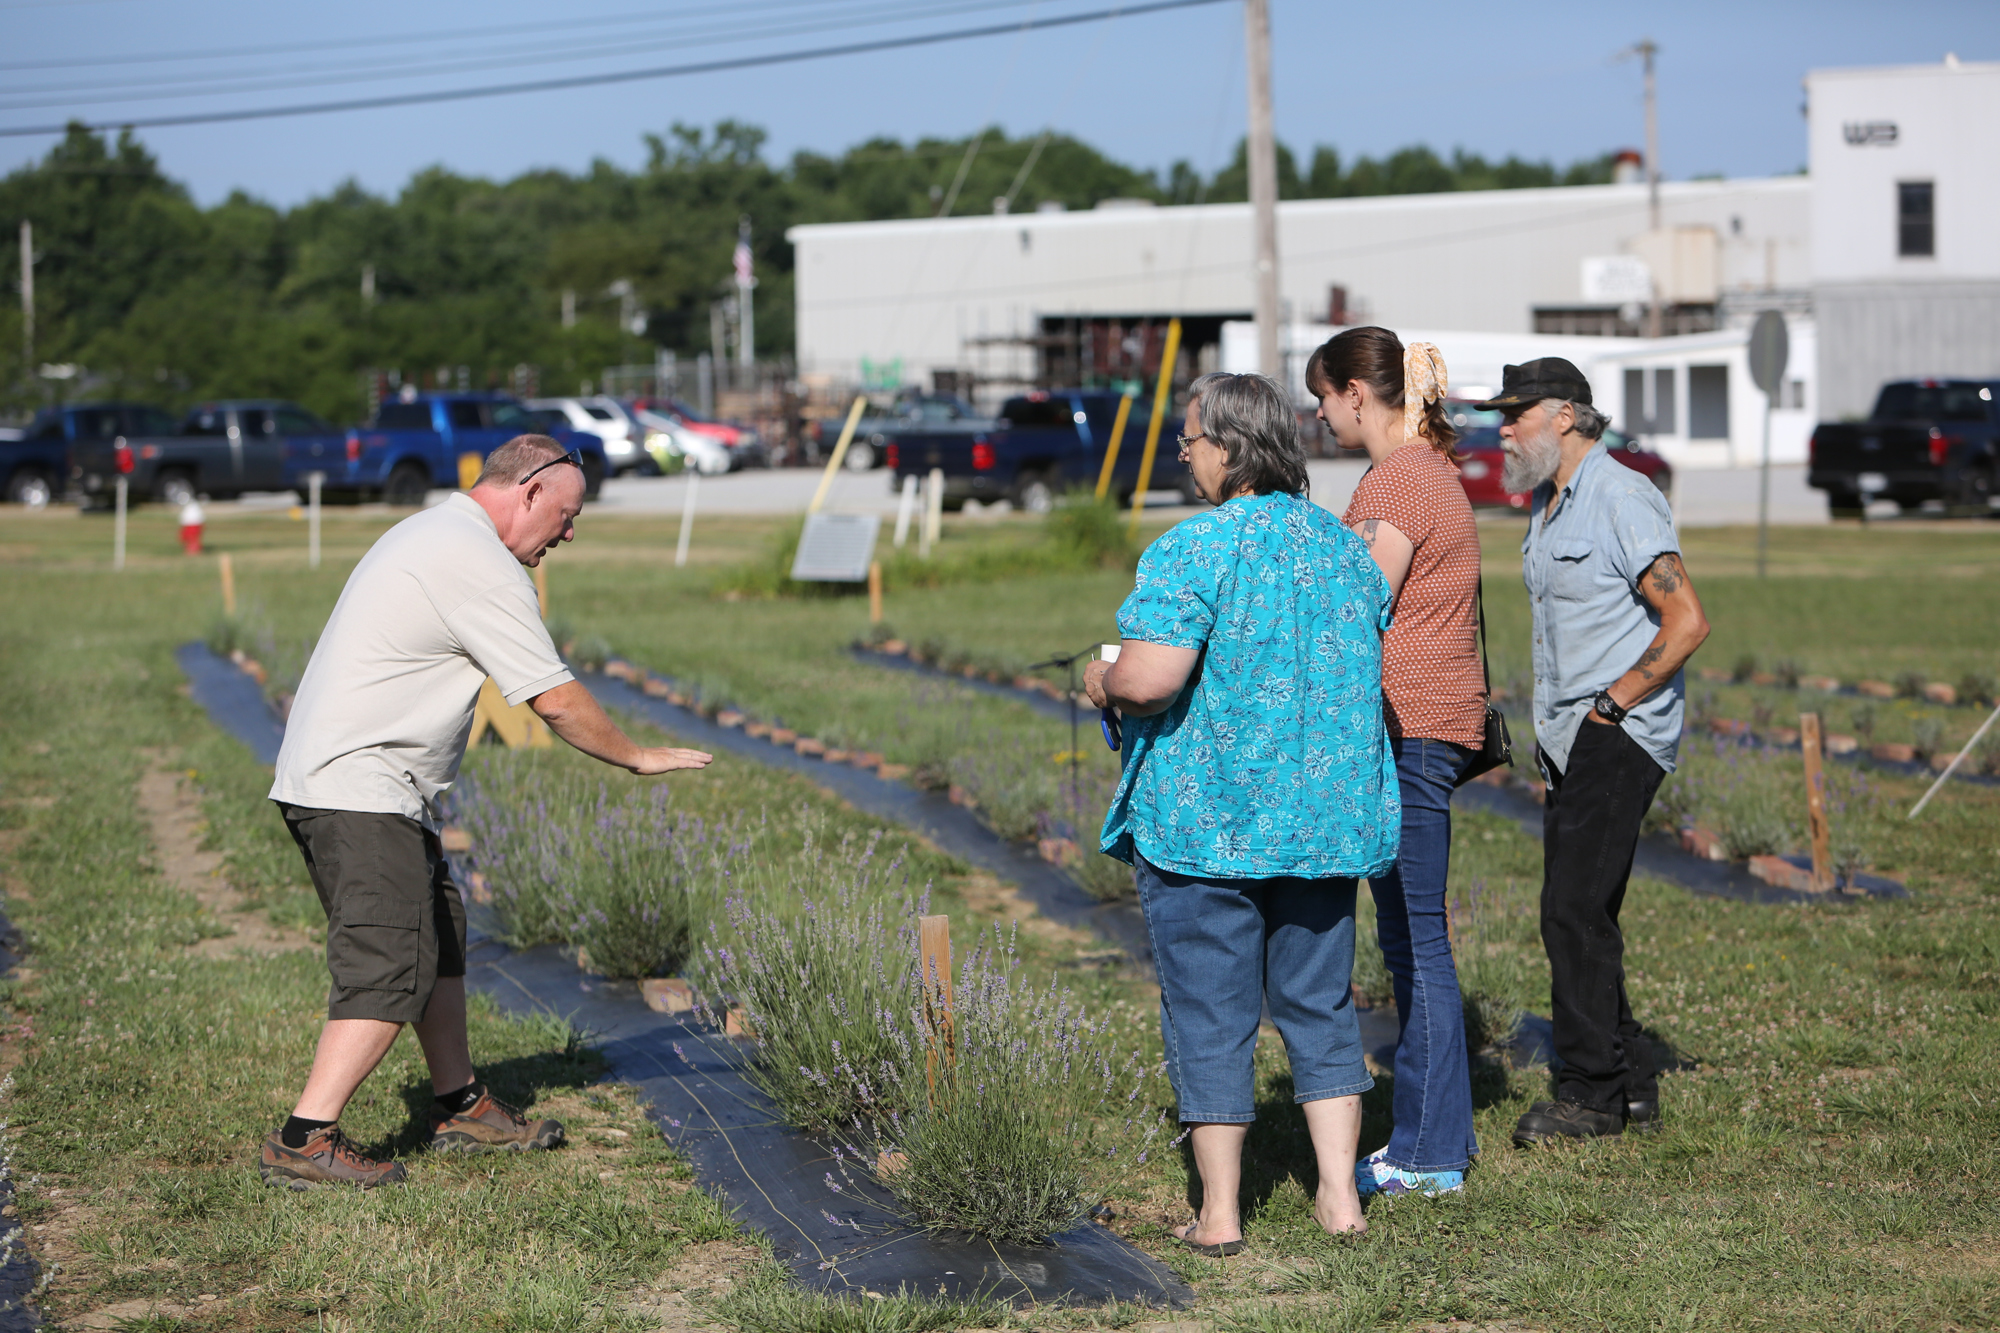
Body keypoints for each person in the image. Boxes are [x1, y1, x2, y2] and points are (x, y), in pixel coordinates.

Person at [261, 435, 714, 1189]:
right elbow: (556, 699)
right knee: (390, 961)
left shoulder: (440, 531)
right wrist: (637, 756)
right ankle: (306, 1137)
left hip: (363, 781)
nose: (567, 534)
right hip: (358, 785)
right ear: (530, 492)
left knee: (438, 933)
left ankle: (462, 1102)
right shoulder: (475, 559)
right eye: (565, 516)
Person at [1084, 371, 1398, 1251]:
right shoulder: (1346, 551)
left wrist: (1101, 679)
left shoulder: (1192, 549)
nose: (1184, 457)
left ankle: (1220, 1214)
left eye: (1188, 441)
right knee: (1319, 1003)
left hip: (1207, 826)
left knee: (1209, 1010)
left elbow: (1149, 680)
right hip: (1325, 825)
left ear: (1226, 446)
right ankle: (1340, 1197)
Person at [1475, 360, 1710, 1146]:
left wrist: (1612, 705)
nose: (1503, 427)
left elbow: (1686, 622)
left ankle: (1590, 1095)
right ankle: (1632, 1080)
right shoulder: (1550, 506)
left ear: (1568, 416)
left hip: (1618, 731)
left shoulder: (1621, 496)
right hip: (1572, 739)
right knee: (1588, 908)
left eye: (1517, 413)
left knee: (1569, 911)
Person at [1308, 328, 1484, 1196]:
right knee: (1411, 938)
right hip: (1425, 725)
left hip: (1411, 729)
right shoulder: (1423, 473)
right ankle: (1431, 1138)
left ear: (1356, 393)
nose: (1319, 412)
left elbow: (1356, 601)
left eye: (1323, 396)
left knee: (1417, 942)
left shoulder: (1402, 477)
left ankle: (1428, 1151)